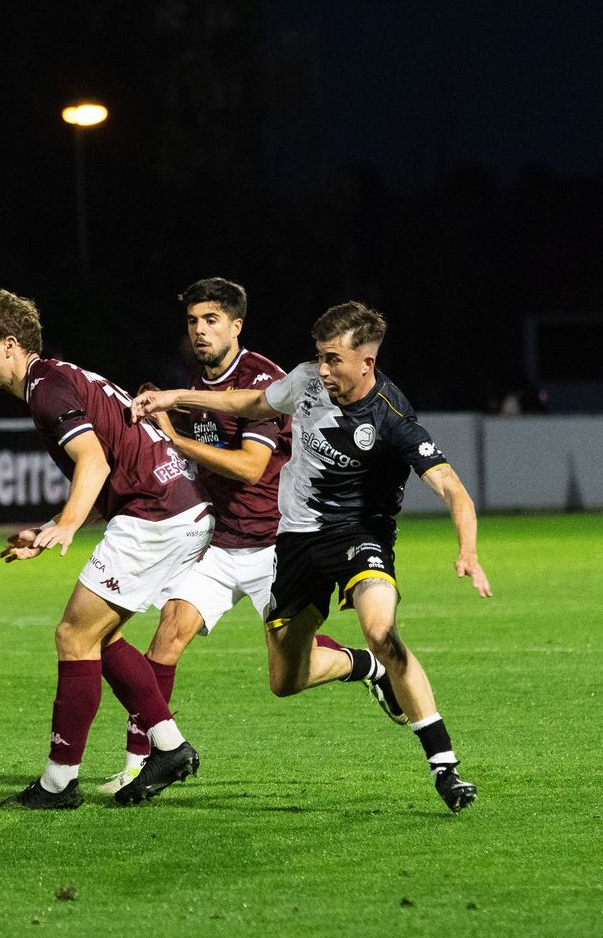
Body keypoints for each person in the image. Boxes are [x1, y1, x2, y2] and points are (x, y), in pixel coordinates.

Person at [133, 300, 493, 813]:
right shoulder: (304, 382)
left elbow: (453, 490)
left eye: (333, 360)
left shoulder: (392, 418)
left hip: (359, 537)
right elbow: (255, 404)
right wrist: (176, 396)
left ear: (365, 363)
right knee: (285, 681)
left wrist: (469, 550)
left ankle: (445, 768)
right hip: (295, 543)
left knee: (381, 629)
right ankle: (363, 668)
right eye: (319, 357)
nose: (322, 369)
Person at [97, 279, 391, 794]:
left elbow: (253, 467)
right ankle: (142, 762)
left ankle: (363, 664)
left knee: (291, 665)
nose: (200, 331)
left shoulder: (265, 381)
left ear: (236, 325)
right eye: (193, 321)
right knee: (167, 637)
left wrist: (177, 439)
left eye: (211, 320)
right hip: (220, 544)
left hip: (278, 546)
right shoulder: (194, 383)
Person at [0, 289, 210, 809]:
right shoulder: (57, 378)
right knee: (100, 637)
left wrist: (68, 526)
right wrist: (50, 525)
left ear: (9, 345)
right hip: (179, 508)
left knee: (74, 634)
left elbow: (92, 461)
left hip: (156, 514)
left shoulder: (45, 388)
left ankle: (58, 783)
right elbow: (109, 467)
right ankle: (168, 746)